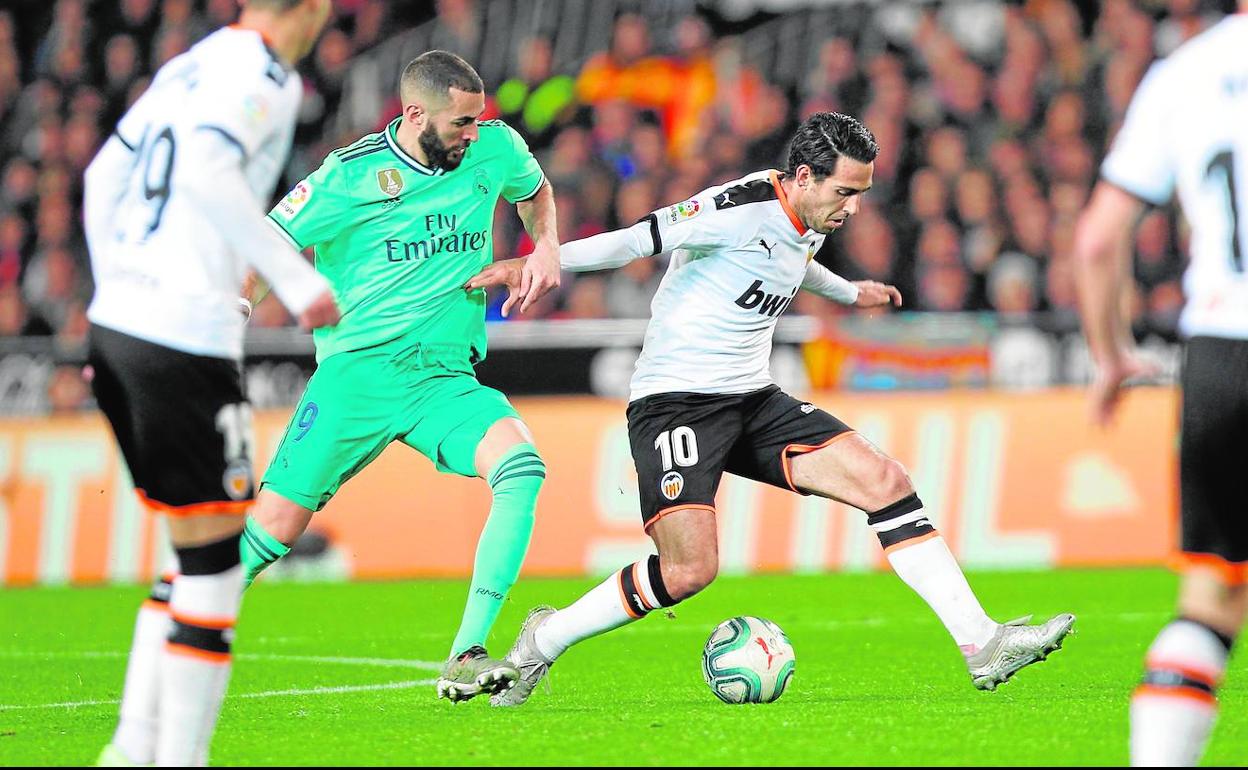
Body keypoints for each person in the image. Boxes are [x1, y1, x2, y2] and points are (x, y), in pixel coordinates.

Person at [470, 112, 1075, 706]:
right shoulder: (733, 210)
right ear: (805, 176)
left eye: (861, 195)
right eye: (845, 192)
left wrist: (850, 292)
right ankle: (541, 641)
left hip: (752, 398)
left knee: (885, 481)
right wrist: (538, 262)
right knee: (688, 571)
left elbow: (793, 261)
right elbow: (632, 241)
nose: (853, 208)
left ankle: (983, 643)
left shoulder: (811, 214)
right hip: (675, 401)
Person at [241, 50, 561, 703]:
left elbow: (535, 194)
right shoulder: (349, 176)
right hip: (357, 375)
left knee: (521, 468)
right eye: (460, 123)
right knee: (272, 531)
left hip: (444, 376)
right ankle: (177, 619)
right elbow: (267, 241)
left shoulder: (495, 149)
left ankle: (466, 654)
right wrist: (236, 307)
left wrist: (545, 245)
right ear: (414, 113)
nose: (473, 133)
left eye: (478, 121)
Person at [82, 1, 339, 765]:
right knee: (218, 568)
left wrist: (117, 287)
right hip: (183, 339)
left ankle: (132, 749)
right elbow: (204, 172)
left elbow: (102, 176)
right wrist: (296, 280)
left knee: (192, 554)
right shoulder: (266, 75)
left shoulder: (189, 64)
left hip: (121, 323)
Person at [1072, 7, 1248, 765]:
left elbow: (1096, 240)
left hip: (1220, 354)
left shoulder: (1183, 72)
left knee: (1210, 602)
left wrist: (1111, 355)